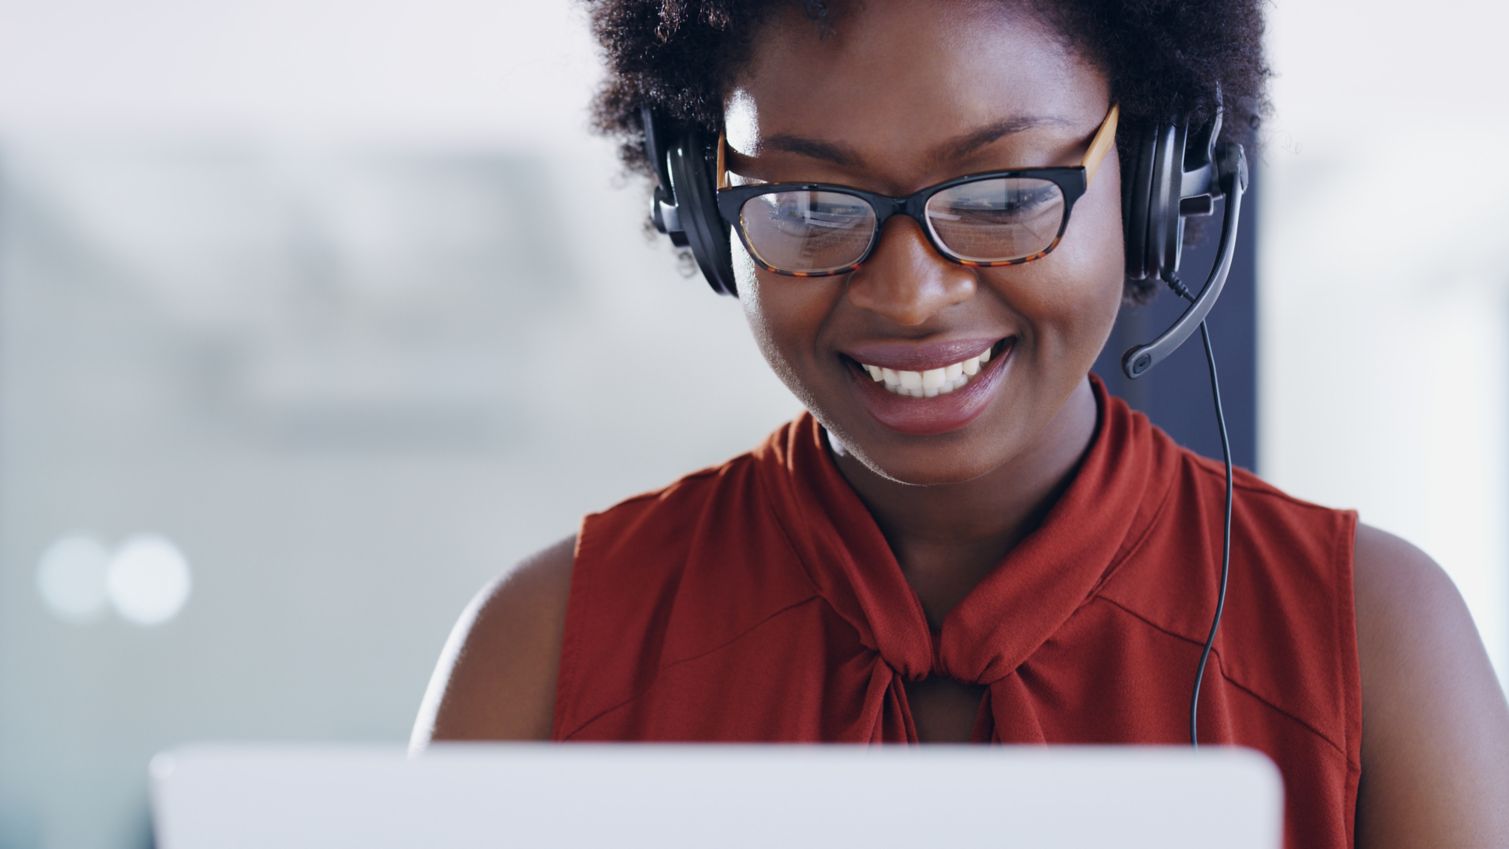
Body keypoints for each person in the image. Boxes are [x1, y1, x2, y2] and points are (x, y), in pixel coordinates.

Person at [411, 1, 1509, 846]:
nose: (909, 295)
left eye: (998, 197)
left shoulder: (1374, 641)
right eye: (805, 206)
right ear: (702, 213)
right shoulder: (546, 649)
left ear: (1156, 179)